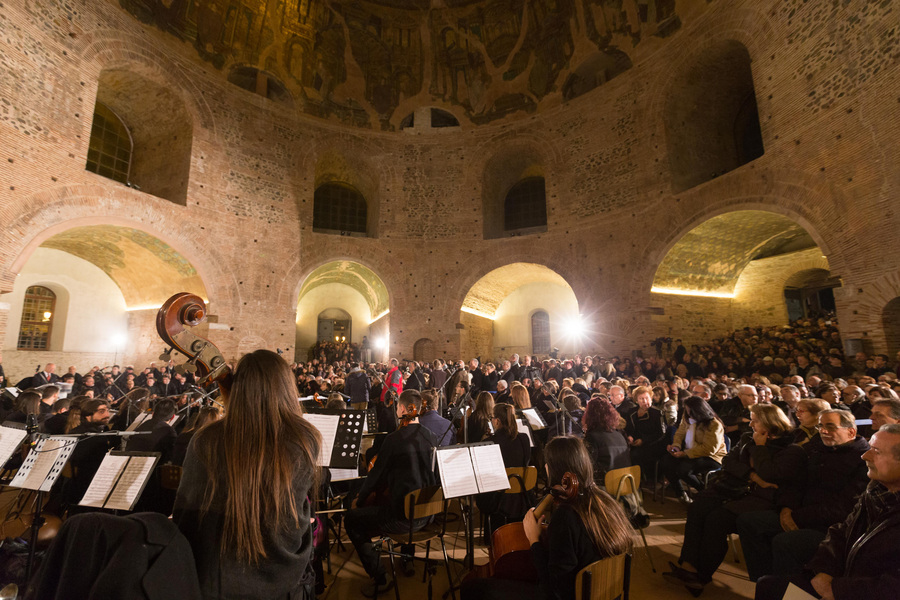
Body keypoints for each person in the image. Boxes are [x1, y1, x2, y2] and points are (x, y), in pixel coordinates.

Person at [173, 349, 321, 599]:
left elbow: (185, 517)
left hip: (217, 580)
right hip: (282, 578)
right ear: (287, 387)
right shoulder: (304, 439)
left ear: (238, 385)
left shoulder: (205, 439)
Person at [461, 436, 633, 600]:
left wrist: (534, 539)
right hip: (605, 594)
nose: (545, 466)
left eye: (547, 463)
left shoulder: (566, 516)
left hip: (571, 596)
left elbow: (553, 590)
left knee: (473, 588)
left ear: (554, 469)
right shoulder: (604, 501)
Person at [664, 404, 805, 596]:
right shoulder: (749, 437)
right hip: (735, 486)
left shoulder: (791, 448)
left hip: (759, 498)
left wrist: (760, 447)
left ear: (770, 422)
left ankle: (701, 575)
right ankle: (689, 566)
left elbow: (770, 474)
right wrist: (753, 476)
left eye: (755, 420)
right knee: (698, 507)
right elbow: (729, 461)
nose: (751, 423)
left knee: (715, 519)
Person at [755, 424, 900, 600]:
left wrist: (839, 591)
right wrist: (825, 570)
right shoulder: (877, 490)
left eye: (876, 451)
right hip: (848, 577)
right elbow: (842, 530)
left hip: (864, 591)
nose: (865, 455)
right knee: (768, 586)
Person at [736, 409, 869, 583]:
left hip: (832, 526)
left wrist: (796, 517)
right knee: (749, 522)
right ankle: (765, 582)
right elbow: (796, 483)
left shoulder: (863, 460)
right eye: (820, 426)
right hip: (799, 513)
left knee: (785, 542)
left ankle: (789, 591)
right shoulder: (817, 449)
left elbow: (843, 507)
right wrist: (786, 508)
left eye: (830, 426)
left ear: (851, 431)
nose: (823, 431)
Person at [344, 389, 439, 596]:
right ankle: (408, 559)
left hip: (403, 520)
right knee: (411, 496)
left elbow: (375, 477)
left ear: (404, 409)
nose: (396, 409)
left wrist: (359, 501)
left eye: (397, 406)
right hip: (430, 515)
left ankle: (381, 576)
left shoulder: (394, 440)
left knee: (352, 519)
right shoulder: (432, 437)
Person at [662, 396, 727, 504]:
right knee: (666, 461)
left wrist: (684, 454)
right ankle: (681, 493)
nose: (688, 413)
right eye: (687, 410)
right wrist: (676, 446)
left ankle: (705, 493)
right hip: (690, 453)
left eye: (690, 411)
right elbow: (680, 433)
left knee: (684, 469)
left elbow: (709, 449)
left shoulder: (714, 424)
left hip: (711, 457)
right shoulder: (687, 417)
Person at [582, 397, 631, 482]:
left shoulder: (592, 436)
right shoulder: (619, 434)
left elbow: (588, 465)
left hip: (605, 484)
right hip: (625, 482)